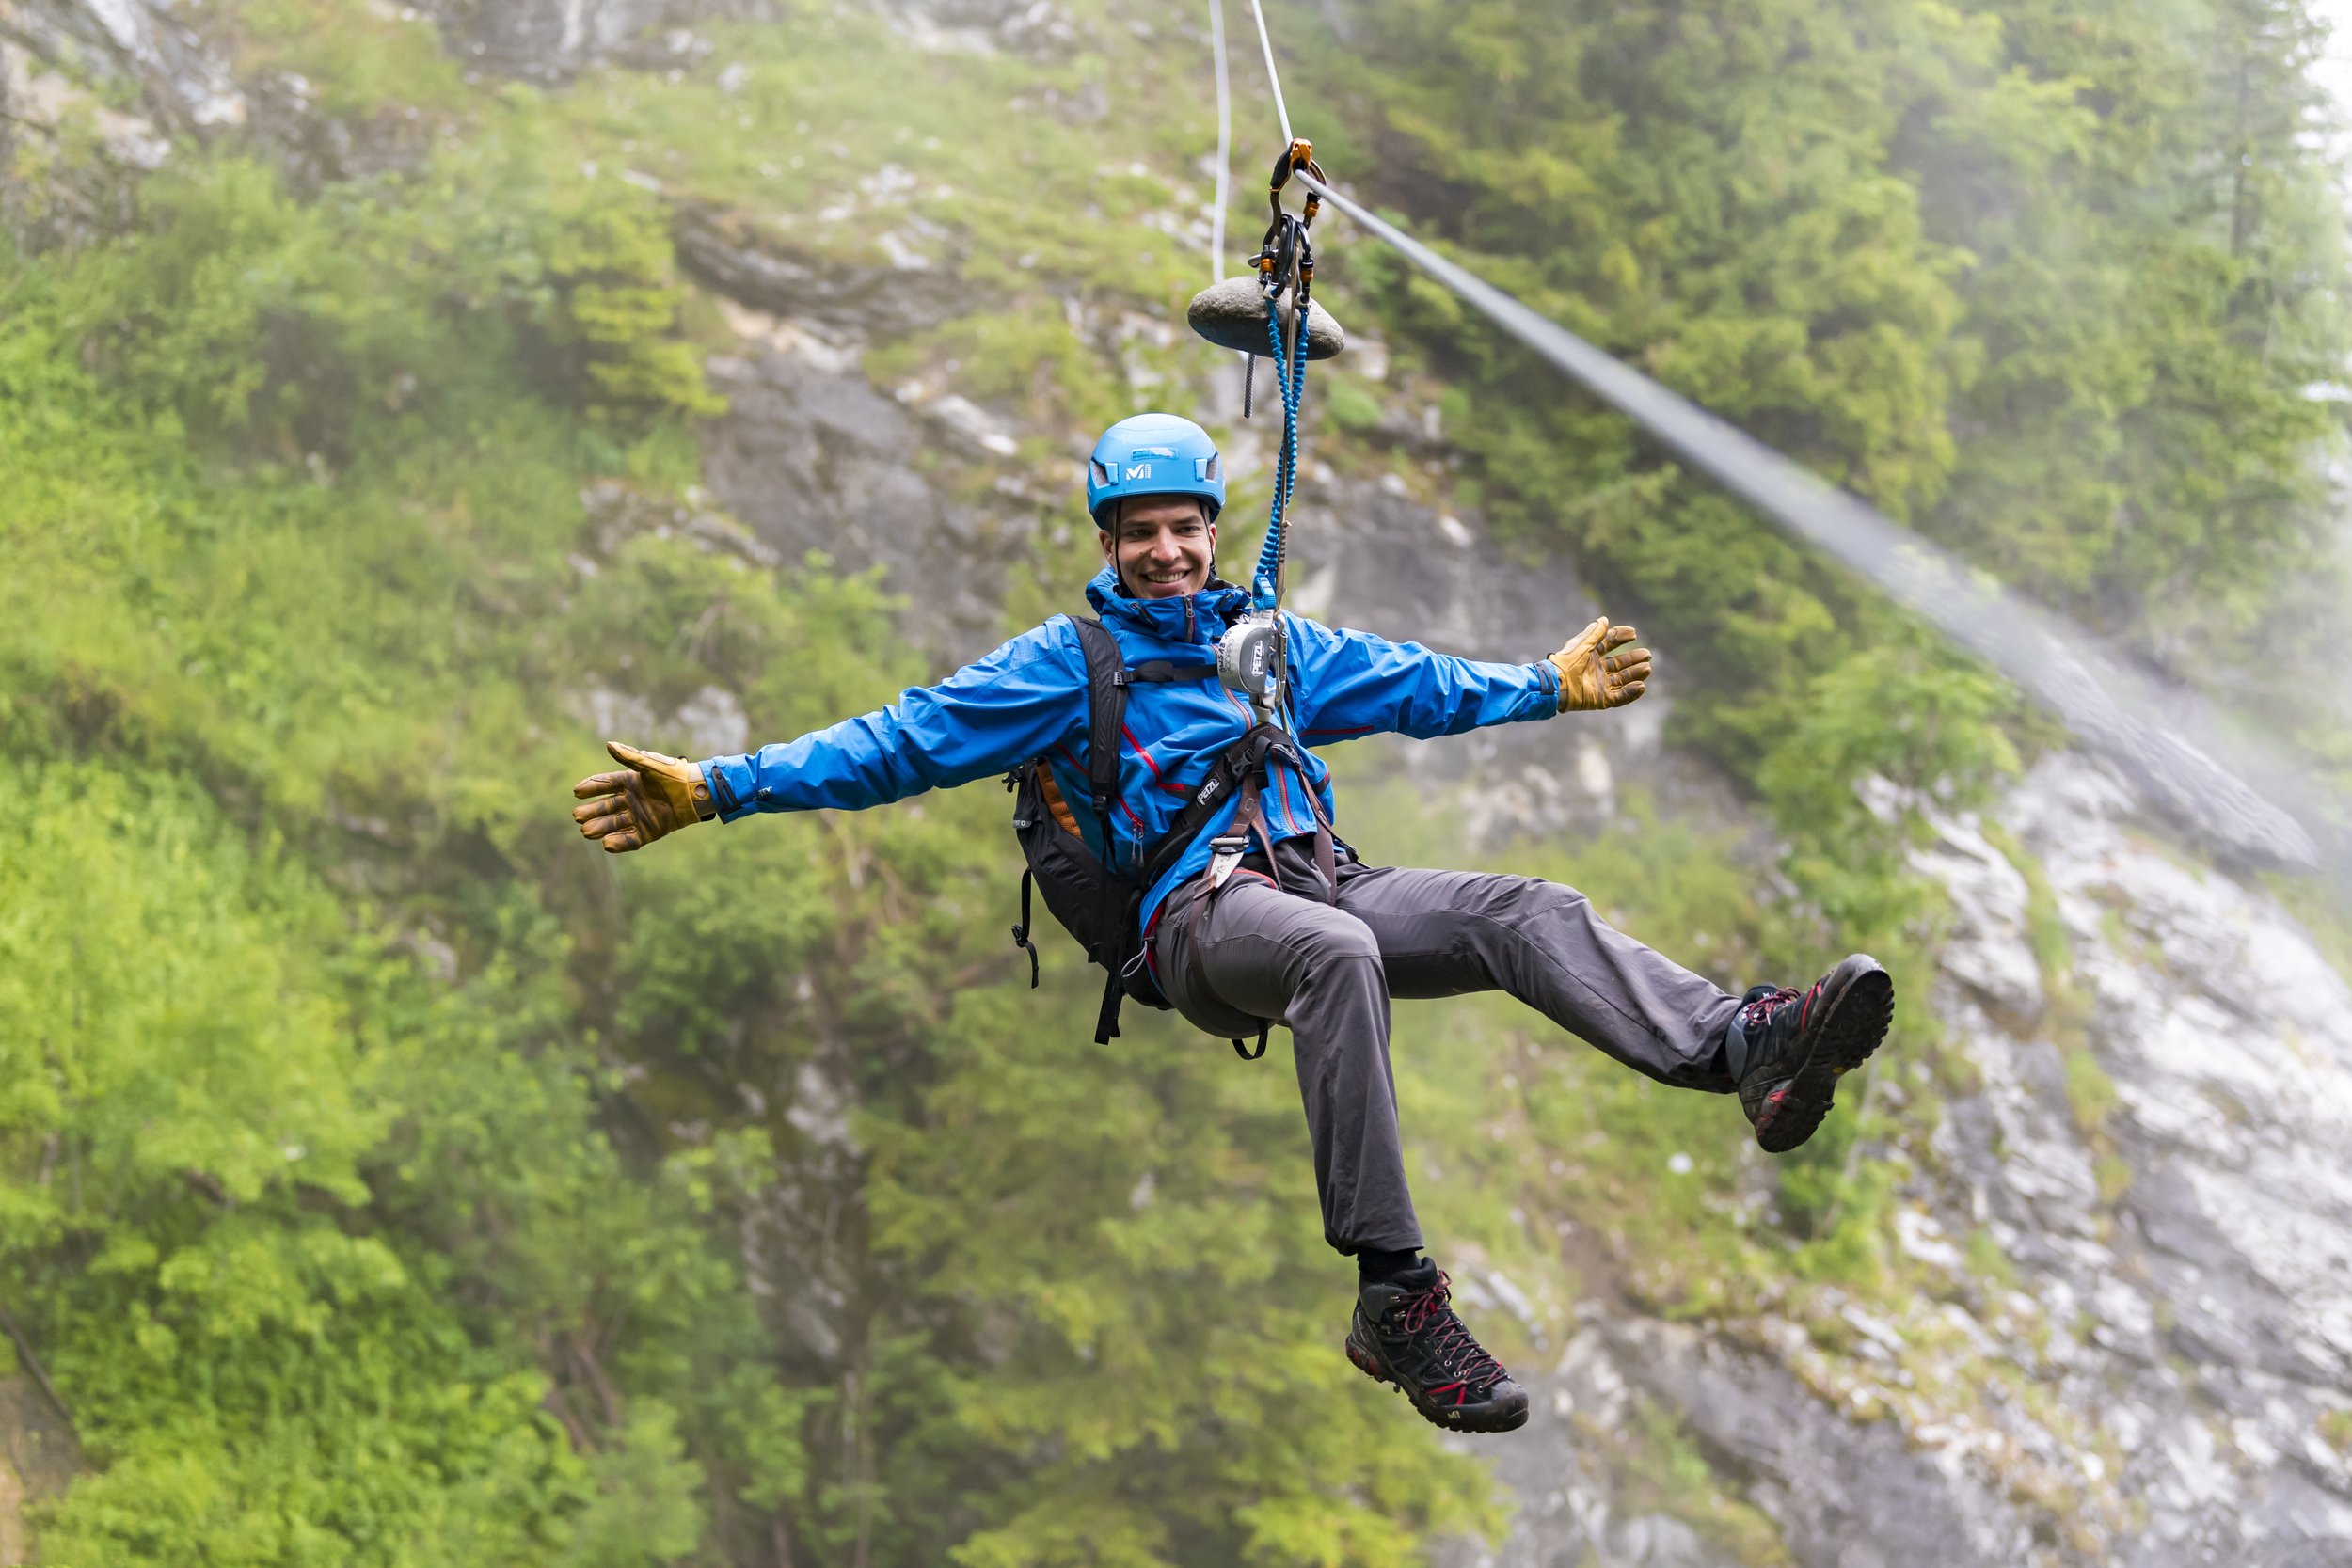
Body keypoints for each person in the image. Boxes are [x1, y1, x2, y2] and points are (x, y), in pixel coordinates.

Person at [570, 412, 1895, 1435]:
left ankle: (1743, 1052)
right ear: (1106, 545)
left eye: (1182, 529)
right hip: (1198, 927)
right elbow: (900, 742)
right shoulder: (1061, 667)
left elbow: (1411, 683)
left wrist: (1541, 688)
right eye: (1137, 533)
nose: (1163, 552)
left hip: (1317, 878)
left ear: (1212, 530)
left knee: (1517, 911)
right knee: (1339, 953)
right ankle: (1396, 1296)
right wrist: (722, 790)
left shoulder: (1269, 644)